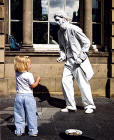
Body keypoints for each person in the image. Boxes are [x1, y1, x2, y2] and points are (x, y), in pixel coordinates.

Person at [54, 11, 96, 114]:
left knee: (83, 84)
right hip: (69, 62)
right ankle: (71, 106)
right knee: (65, 82)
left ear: (64, 19)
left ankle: (89, 106)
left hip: (78, 62)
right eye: (55, 21)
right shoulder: (60, 32)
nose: (57, 22)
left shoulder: (74, 29)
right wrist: (62, 56)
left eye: (58, 20)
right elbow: (62, 48)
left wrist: (81, 58)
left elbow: (86, 43)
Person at [14, 56, 40, 136]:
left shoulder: (17, 73)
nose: (31, 65)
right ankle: (33, 131)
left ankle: (19, 131)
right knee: (31, 114)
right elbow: (33, 85)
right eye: (30, 64)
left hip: (19, 97)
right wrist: (38, 80)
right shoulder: (29, 75)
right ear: (24, 65)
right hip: (28, 97)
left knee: (19, 114)